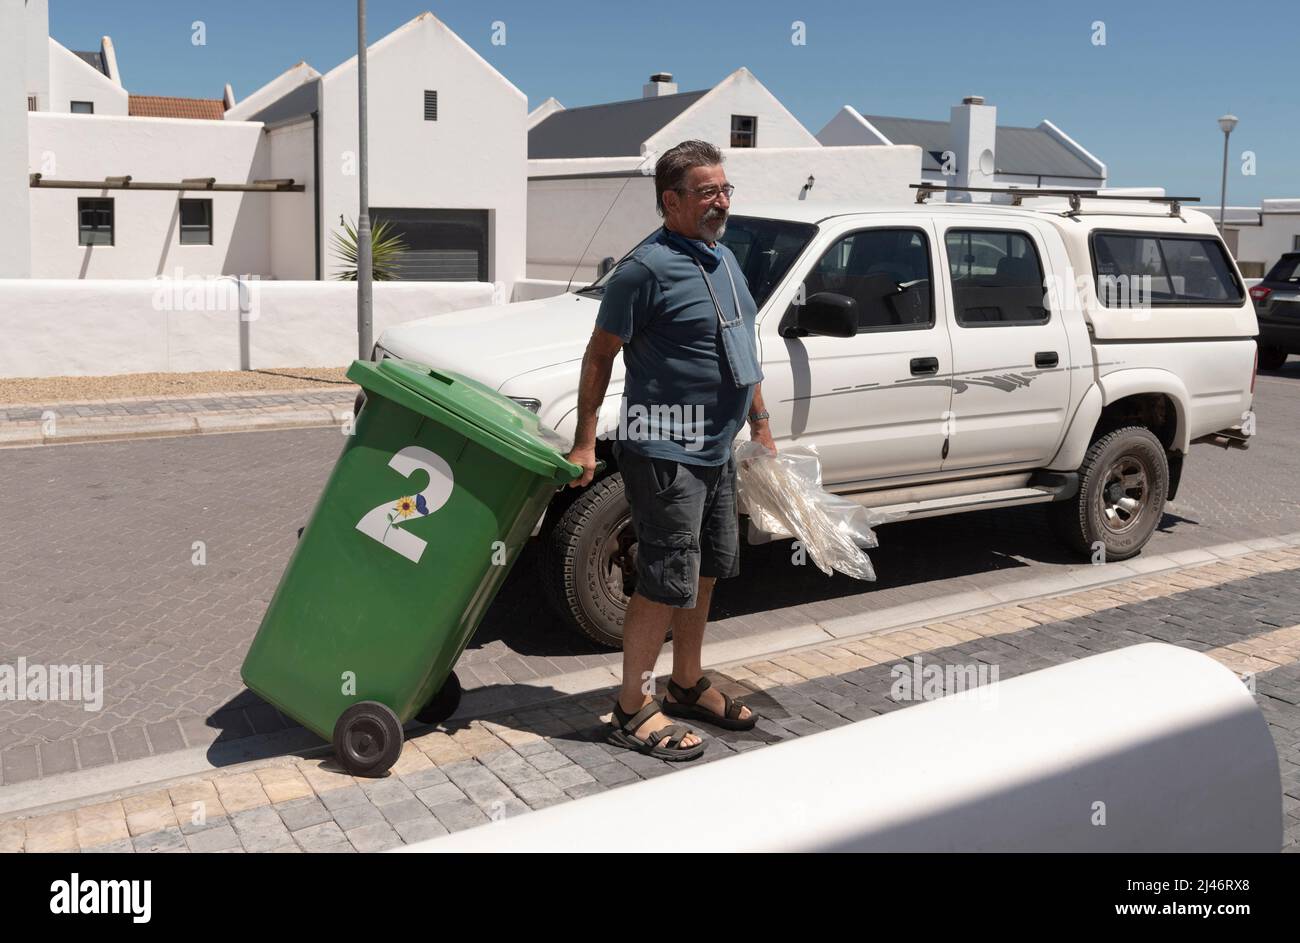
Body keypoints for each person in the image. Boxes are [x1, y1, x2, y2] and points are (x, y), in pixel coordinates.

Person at [564, 140, 776, 761]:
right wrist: (583, 440)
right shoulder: (645, 270)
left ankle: (685, 683)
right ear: (671, 200)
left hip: (716, 449)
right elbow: (599, 354)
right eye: (708, 191)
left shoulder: (724, 260)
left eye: (725, 189)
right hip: (664, 451)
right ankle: (632, 704)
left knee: (704, 570)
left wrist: (759, 423)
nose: (721, 201)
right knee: (661, 580)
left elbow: (743, 349)